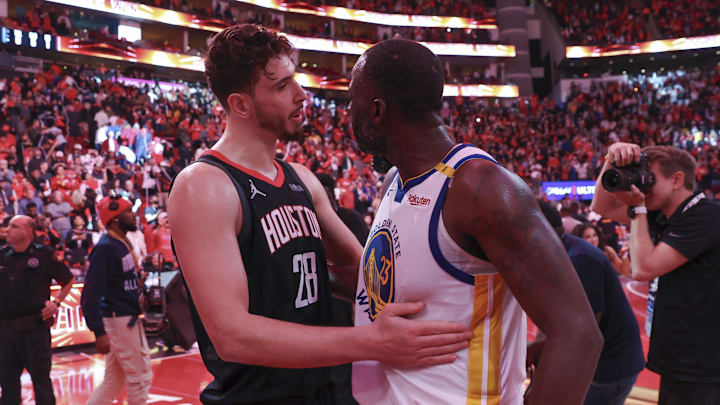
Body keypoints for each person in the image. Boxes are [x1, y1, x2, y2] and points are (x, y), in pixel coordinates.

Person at [168, 24, 471, 404]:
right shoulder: (204, 187)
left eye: (295, 81)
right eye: (281, 87)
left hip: (332, 391)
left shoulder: (303, 180)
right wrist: (371, 342)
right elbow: (232, 336)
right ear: (241, 104)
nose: (300, 95)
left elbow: (362, 273)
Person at [348, 39, 602, 405]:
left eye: (351, 101)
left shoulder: (479, 189)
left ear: (376, 110)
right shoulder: (395, 182)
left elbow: (578, 335)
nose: (347, 113)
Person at [591, 143, 720, 404]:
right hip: (679, 356)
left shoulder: (706, 216)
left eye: (649, 178)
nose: (643, 186)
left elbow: (643, 269)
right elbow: (601, 206)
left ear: (677, 180)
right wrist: (611, 158)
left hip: (703, 365)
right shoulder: (664, 216)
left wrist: (638, 209)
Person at [534, 201, 645, 405]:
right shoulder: (559, 253)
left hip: (609, 368)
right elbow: (551, 317)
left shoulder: (582, 261)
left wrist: (533, 353)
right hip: (604, 362)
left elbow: (583, 333)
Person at [80, 196, 153, 405]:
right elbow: (89, 295)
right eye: (129, 212)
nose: (134, 215)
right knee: (140, 378)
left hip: (125, 315)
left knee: (114, 380)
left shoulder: (120, 243)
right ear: (115, 219)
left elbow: (122, 283)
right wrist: (99, 332)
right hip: (119, 319)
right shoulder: (105, 248)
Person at [0, 215, 74, 405]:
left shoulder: (44, 255)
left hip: (34, 329)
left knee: (41, 382)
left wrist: (56, 302)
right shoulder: (3, 255)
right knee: (7, 383)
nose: (7, 229)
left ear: (28, 232)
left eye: (13, 226)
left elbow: (67, 280)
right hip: (5, 330)